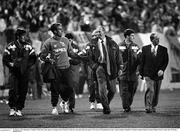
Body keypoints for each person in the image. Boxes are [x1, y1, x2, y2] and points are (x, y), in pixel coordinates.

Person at [40, 23, 79, 115]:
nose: (62, 31)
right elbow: (42, 56)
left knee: (70, 87)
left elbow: (71, 53)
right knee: (55, 89)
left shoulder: (65, 40)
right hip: (55, 69)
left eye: (62, 29)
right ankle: (54, 107)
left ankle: (64, 101)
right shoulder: (48, 42)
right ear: (54, 31)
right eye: (59, 29)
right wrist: (48, 59)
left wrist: (79, 57)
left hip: (66, 68)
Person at [82, 26, 121, 114]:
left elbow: (118, 56)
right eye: (97, 32)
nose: (98, 33)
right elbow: (89, 58)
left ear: (104, 32)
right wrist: (95, 67)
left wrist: (120, 67)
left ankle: (105, 103)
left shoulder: (112, 42)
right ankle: (106, 108)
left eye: (99, 31)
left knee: (112, 90)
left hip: (111, 68)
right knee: (102, 90)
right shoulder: (92, 43)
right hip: (100, 68)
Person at [3, 28, 37, 116]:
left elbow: (33, 58)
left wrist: (26, 66)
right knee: (13, 90)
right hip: (14, 72)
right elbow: (5, 58)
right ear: (18, 36)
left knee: (23, 91)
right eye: (23, 35)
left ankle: (19, 109)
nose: (25, 37)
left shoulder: (28, 46)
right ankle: (12, 108)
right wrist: (12, 65)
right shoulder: (10, 46)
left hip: (24, 72)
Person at [139, 33, 169, 113]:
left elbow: (165, 61)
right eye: (156, 39)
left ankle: (153, 106)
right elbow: (142, 62)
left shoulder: (164, 49)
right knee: (150, 89)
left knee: (156, 92)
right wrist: (141, 73)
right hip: (148, 73)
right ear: (151, 40)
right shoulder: (145, 49)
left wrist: (162, 70)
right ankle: (148, 107)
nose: (158, 40)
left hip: (158, 74)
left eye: (158, 38)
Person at [118, 29, 141, 112]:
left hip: (133, 74)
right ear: (127, 36)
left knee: (132, 92)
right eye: (132, 35)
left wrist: (139, 71)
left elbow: (140, 60)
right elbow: (116, 60)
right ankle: (126, 107)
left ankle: (128, 104)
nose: (133, 37)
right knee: (124, 92)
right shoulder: (119, 46)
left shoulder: (136, 46)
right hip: (123, 74)